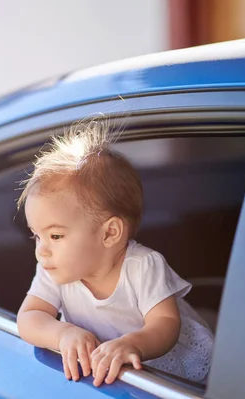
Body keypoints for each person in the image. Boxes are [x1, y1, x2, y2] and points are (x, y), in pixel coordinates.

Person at [16, 121, 214, 387]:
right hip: (115, 374)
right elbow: (29, 317)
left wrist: (133, 344)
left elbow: (165, 323)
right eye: (36, 236)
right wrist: (63, 334)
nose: (42, 249)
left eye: (56, 236)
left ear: (109, 233)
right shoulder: (54, 270)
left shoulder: (142, 265)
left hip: (172, 369)